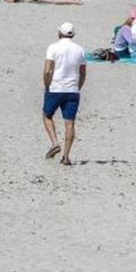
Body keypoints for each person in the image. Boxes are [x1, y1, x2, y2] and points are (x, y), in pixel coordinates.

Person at [42, 22, 86, 165]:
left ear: (59, 33)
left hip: (56, 87)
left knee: (47, 115)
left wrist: (47, 85)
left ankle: (55, 142)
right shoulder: (80, 50)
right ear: (73, 35)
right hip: (72, 89)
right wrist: (78, 87)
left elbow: (48, 70)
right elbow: (83, 72)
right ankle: (66, 157)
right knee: (70, 123)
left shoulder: (53, 47)